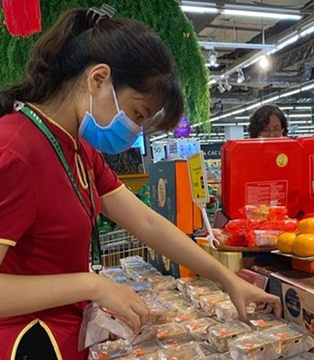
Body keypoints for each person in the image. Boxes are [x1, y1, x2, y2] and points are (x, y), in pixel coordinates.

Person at [0, 5, 281, 360]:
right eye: (136, 114)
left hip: (67, 339)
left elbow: (147, 222)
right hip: (25, 344)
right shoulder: (15, 151)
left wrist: (226, 279)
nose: (133, 131)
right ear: (98, 79)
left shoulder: (76, 149)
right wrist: (91, 284)